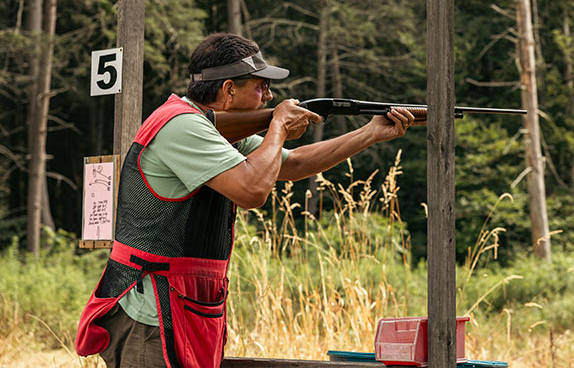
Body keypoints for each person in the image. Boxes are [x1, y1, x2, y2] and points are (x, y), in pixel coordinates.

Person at [75, 33, 415, 368]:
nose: (269, 95)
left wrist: (370, 133)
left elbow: (292, 163)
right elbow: (252, 190)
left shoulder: (209, 129)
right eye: (261, 85)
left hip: (179, 304)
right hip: (152, 311)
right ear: (228, 90)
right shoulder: (182, 127)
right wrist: (278, 125)